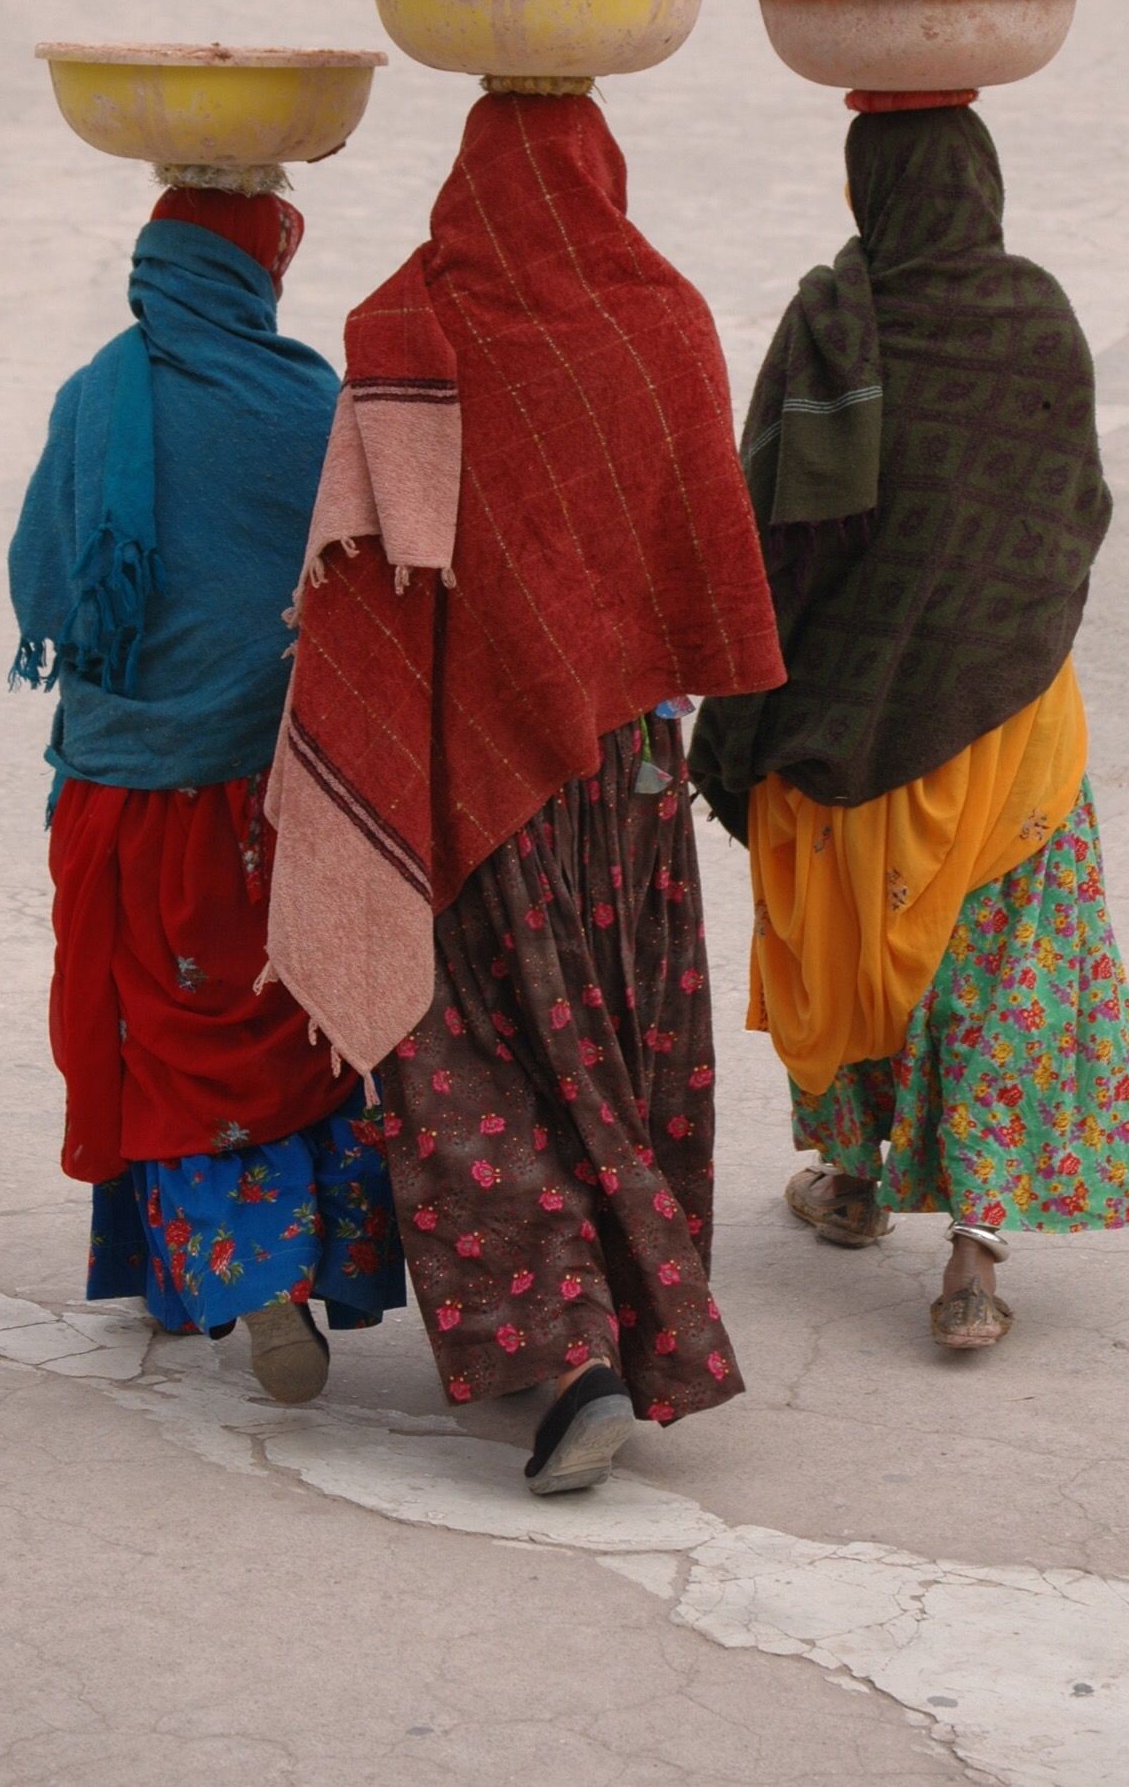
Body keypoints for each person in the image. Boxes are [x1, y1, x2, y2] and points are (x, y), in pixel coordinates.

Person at [262, 89, 785, 1489]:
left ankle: (568, 1356)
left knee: (468, 1058)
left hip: (463, 771)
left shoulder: (404, 334)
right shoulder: (660, 321)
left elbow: (360, 578)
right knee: (614, 1047)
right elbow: (698, 554)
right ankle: (627, 1333)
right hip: (624, 779)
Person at [690, 97, 1129, 1350]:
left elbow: (769, 535)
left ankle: (854, 1182)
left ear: (867, 195)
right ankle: (973, 1258)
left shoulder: (834, 325)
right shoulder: (1037, 318)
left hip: (848, 730)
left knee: (855, 944)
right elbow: (1078, 507)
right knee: (1002, 967)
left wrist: (742, 717)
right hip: (1008, 725)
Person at [8, 186, 406, 1401]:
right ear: (255, 274)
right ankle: (286, 1272)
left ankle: (239, 1282)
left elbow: (42, 589)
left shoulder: (95, 399)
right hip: (272, 801)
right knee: (284, 1028)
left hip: (127, 795)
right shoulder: (310, 405)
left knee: (162, 1033)